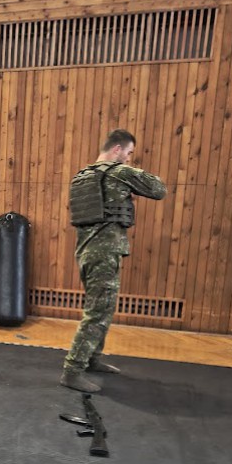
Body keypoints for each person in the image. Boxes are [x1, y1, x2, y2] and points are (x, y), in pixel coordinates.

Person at [60, 129, 166, 393]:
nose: (129, 158)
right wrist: (130, 176)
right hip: (104, 253)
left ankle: (92, 358)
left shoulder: (82, 176)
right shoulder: (119, 172)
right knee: (98, 311)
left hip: (86, 251)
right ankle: (72, 370)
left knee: (103, 308)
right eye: (129, 153)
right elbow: (158, 189)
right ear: (117, 149)